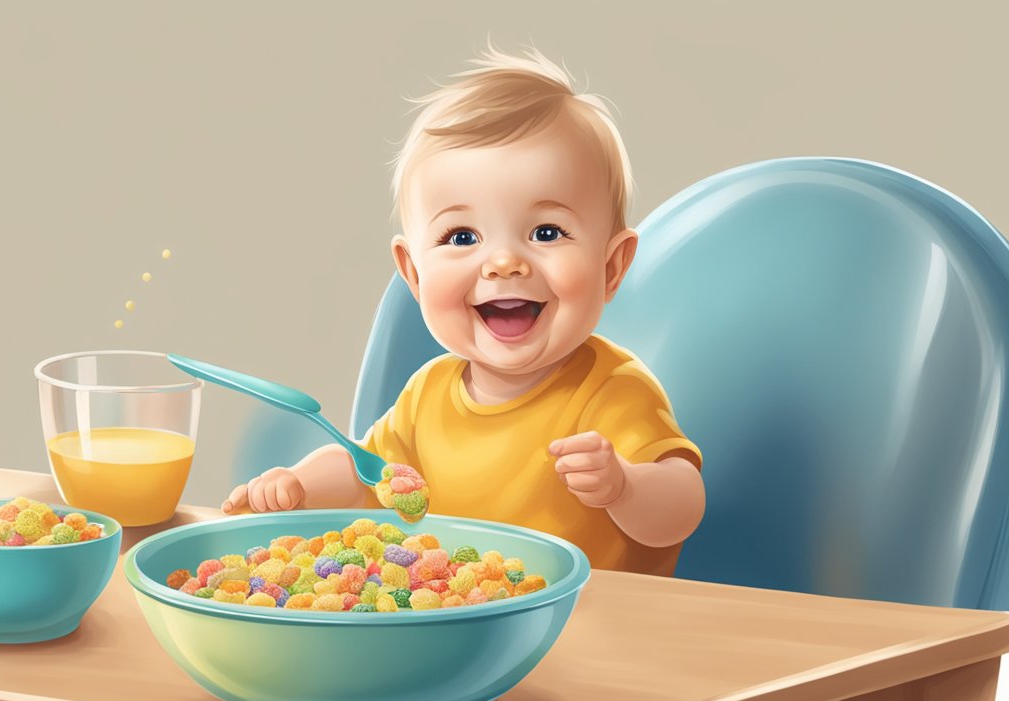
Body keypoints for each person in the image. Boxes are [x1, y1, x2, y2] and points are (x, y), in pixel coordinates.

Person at [224, 46, 705, 575]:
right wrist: (298, 483)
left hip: (592, 629)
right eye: (462, 236)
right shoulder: (428, 394)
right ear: (413, 272)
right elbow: (366, 472)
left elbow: (681, 508)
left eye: (546, 232)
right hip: (459, 623)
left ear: (612, 268)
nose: (502, 262)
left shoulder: (611, 390)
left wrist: (624, 485)